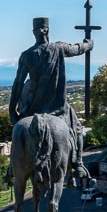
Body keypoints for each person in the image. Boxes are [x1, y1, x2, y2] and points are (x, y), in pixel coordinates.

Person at [9, 16, 93, 179]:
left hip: (32, 109)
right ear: (47, 30)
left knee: (18, 130)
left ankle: (12, 166)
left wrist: (12, 108)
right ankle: (78, 164)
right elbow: (77, 48)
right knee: (77, 130)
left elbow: (18, 84)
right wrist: (89, 44)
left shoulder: (26, 55)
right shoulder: (59, 48)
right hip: (58, 109)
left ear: (35, 32)